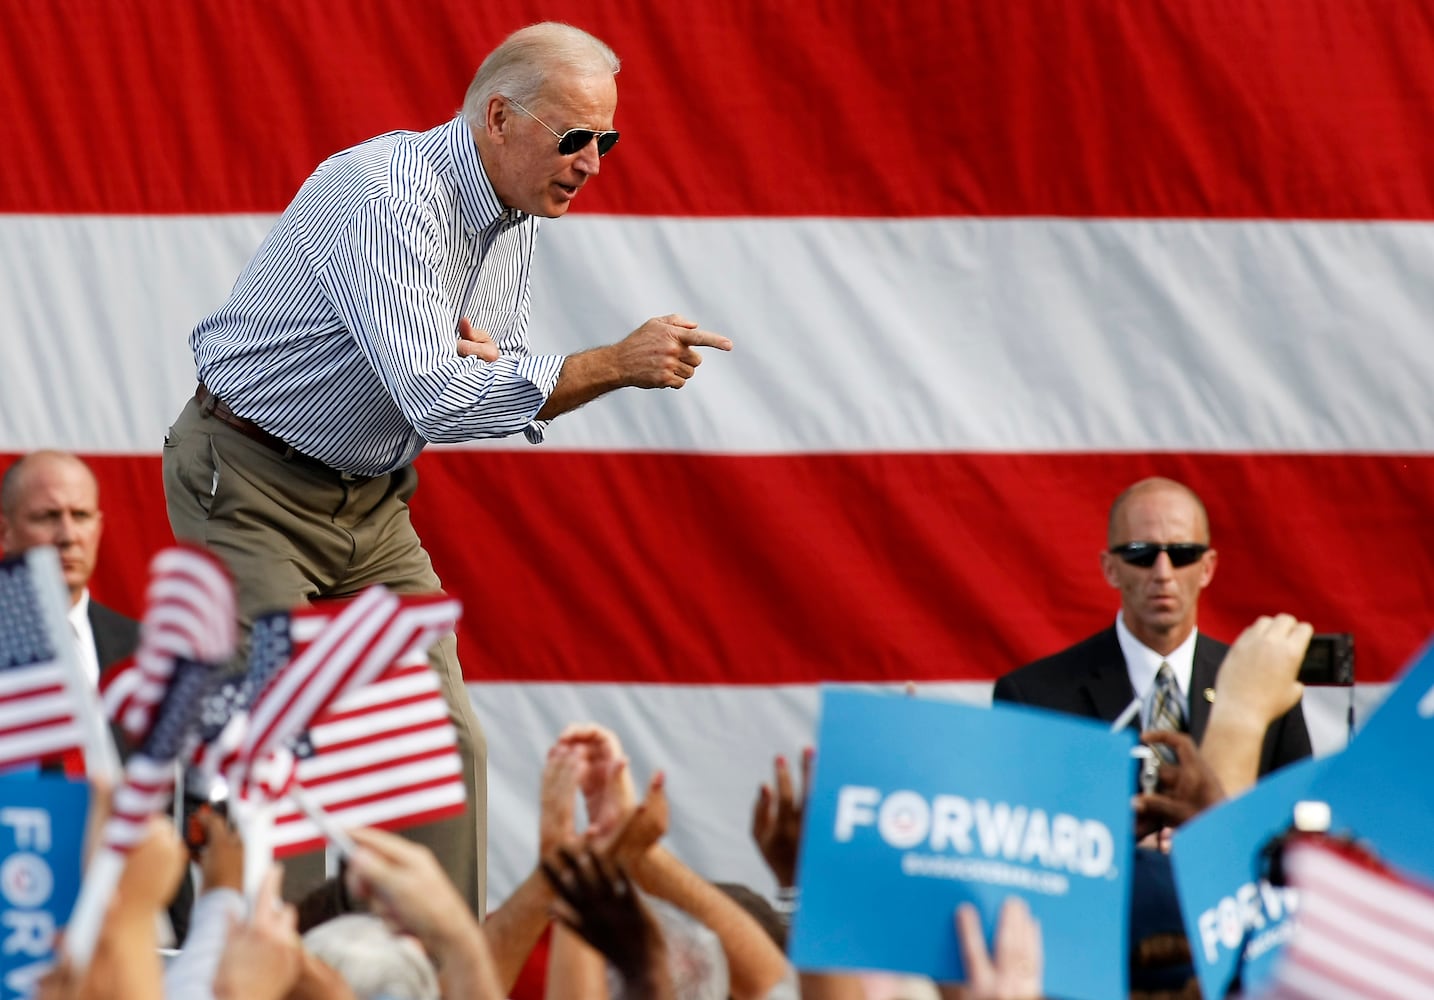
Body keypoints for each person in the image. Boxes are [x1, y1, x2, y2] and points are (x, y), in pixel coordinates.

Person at [161, 20, 733, 915]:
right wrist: (609, 363)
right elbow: (442, 397)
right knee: (276, 742)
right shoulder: (388, 198)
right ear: (499, 117)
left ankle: (448, 972)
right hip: (250, 482)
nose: (592, 161)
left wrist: (490, 372)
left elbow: (483, 372)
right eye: (574, 137)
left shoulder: (515, 215)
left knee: (445, 740)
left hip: (373, 504)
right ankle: (277, 974)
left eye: (607, 140)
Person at [992, 477, 1310, 777]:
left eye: (1182, 554)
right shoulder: (1034, 698)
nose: (1163, 573)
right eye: (1141, 554)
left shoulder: (1264, 687)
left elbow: (1294, 817)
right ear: (1110, 569)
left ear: (1207, 568)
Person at [0, 451, 137, 687]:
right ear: (5, 532)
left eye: (81, 515)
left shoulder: (144, 650)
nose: (68, 536)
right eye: (47, 516)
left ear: (98, 528)